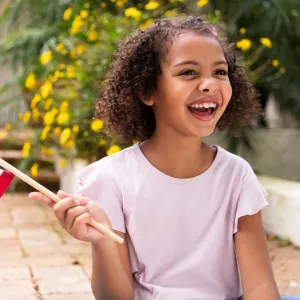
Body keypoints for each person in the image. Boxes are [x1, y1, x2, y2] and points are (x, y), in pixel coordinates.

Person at [29, 15, 282, 300]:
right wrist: (102, 243)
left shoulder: (236, 175)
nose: (210, 84)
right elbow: (115, 297)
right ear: (147, 91)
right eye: (189, 72)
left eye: (220, 72)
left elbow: (261, 287)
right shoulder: (111, 179)